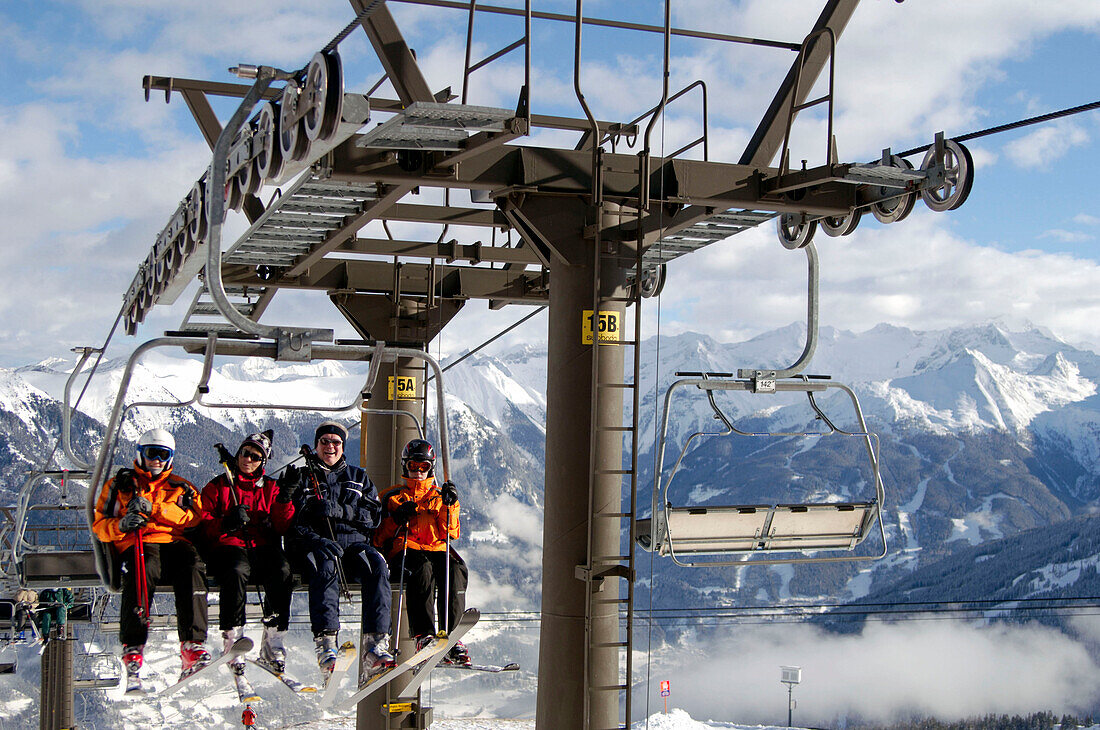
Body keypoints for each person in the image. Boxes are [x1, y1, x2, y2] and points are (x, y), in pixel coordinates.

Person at [92, 427, 209, 686]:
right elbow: (99, 526)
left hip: (172, 542)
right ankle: (133, 644)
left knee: (192, 564)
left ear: (170, 457)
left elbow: (194, 518)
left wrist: (156, 508)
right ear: (140, 454)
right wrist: (121, 525)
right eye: (151, 453)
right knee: (143, 566)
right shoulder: (120, 485)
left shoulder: (181, 487)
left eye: (162, 454)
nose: (156, 459)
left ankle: (193, 642)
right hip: (138, 542)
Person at [282, 420, 394, 685]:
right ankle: (326, 645)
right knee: (326, 567)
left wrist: (341, 510)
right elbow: (292, 522)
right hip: (317, 544)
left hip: (353, 543)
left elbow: (373, 516)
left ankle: (375, 645)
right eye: (324, 442)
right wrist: (314, 538)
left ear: (343, 447)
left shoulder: (358, 477)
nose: (330, 447)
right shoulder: (303, 478)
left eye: (335, 442)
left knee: (377, 565)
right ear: (317, 445)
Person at [199, 430, 295, 676]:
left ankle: (274, 637)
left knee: (282, 570)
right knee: (236, 570)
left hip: (261, 545)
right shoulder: (220, 486)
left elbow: (281, 525)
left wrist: (284, 499)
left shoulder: (270, 488)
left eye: (255, 456)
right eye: (245, 453)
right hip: (229, 544)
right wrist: (226, 522)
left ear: (263, 461)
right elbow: (202, 521)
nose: (248, 460)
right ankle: (233, 636)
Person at [374, 439, 470, 666]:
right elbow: (377, 537)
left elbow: (451, 532)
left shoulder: (439, 496)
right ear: (404, 466)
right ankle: (423, 634)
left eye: (423, 467)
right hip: (404, 549)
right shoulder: (392, 496)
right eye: (413, 466)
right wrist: (396, 519)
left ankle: (451, 634)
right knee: (422, 569)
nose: (417, 472)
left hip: (435, 547)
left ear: (431, 468)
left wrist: (450, 505)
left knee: (456, 568)